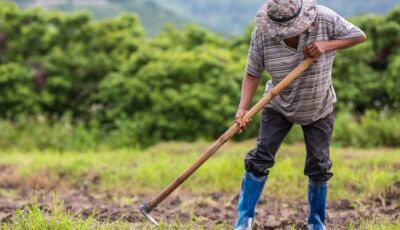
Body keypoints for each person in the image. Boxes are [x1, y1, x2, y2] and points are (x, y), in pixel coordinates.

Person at [234, 0, 366, 229]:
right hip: (278, 105)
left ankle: (316, 223)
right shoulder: (262, 34)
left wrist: (326, 45)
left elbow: (358, 36)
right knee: (259, 158)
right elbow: (253, 72)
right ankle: (244, 220)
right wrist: (242, 108)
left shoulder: (324, 18)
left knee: (319, 165)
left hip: (319, 106)